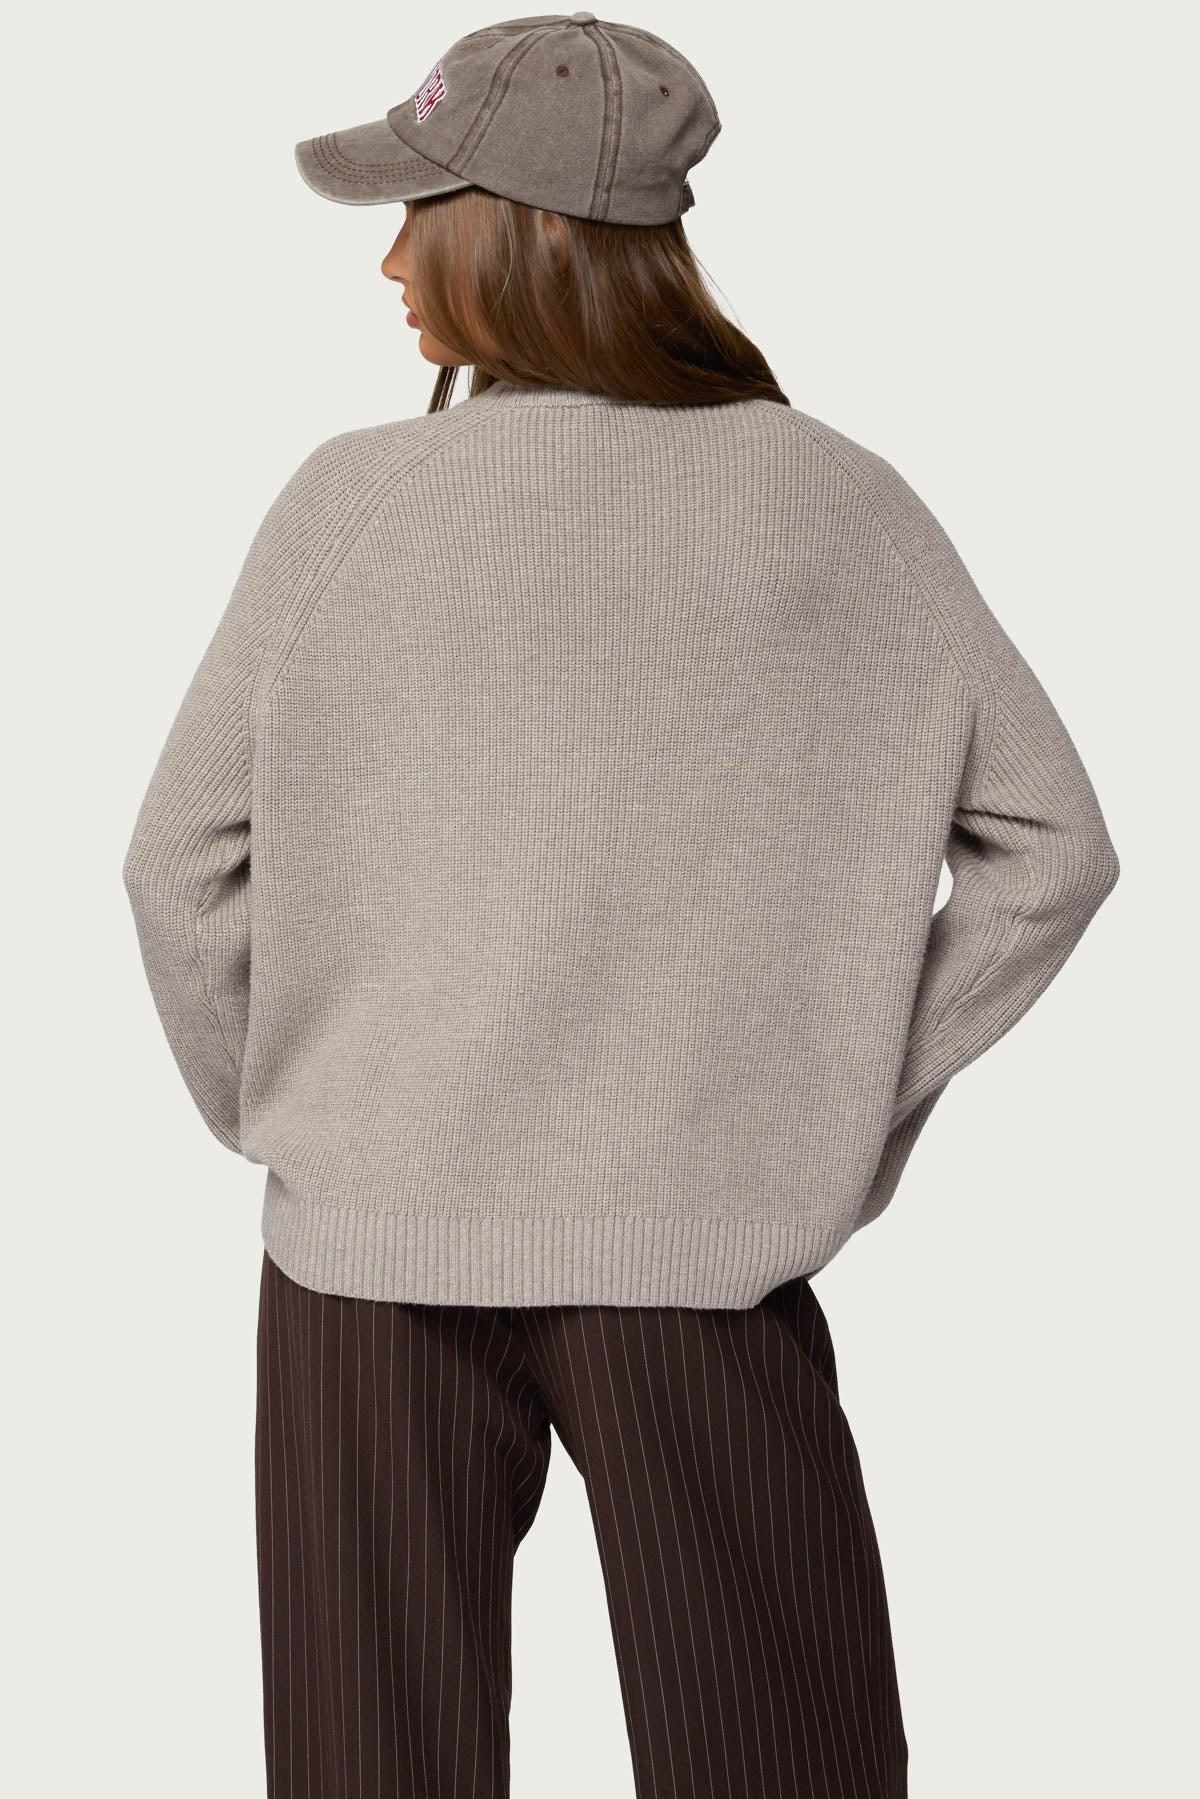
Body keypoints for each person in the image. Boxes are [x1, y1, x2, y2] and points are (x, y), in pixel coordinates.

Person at [122, 13, 1119, 1798]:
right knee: (783, 1762)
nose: (389, 259)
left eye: (419, 213)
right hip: (699, 1249)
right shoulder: (837, 501)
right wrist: (813, 1105)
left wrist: (296, 1114)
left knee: (366, 1768)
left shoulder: (349, 505)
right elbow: (1050, 850)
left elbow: (175, 869)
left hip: (364, 1258)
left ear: (514, 232)